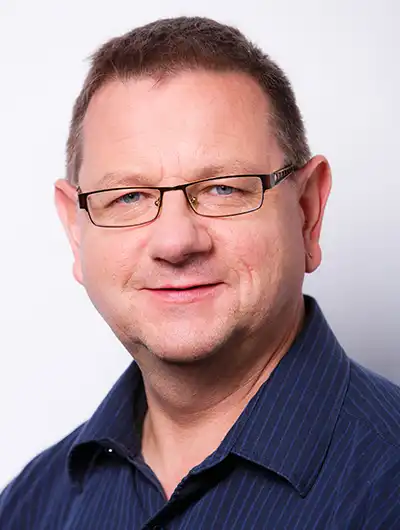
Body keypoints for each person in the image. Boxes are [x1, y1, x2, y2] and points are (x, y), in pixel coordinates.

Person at [1, 15, 399, 530]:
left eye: (222, 188)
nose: (176, 243)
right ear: (76, 233)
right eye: (128, 196)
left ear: (307, 212)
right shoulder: (31, 507)